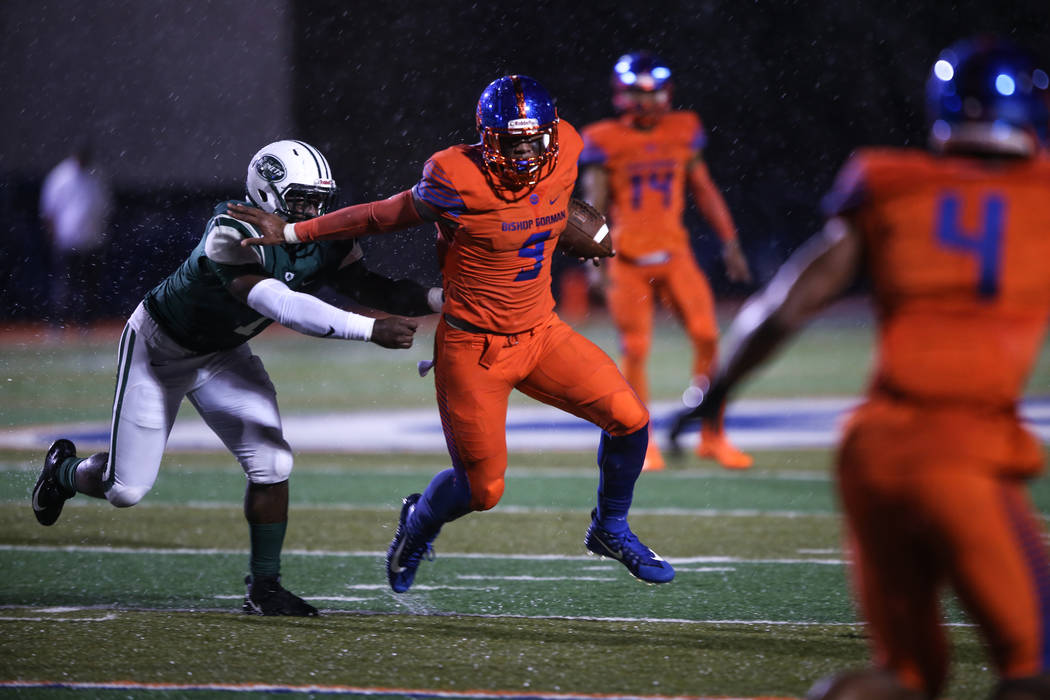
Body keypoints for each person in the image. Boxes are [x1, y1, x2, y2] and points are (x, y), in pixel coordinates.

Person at [672, 39, 1050, 700]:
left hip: (872, 452)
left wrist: (714, 392)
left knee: (902, 678)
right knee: (1035, 668)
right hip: (963, 450)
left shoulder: (890, 183)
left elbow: (790, 301)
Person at [229, 76, 676, 592]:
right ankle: (418, 522)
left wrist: (569, 225)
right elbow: (380, 216)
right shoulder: (454, 177)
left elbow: (552, 202)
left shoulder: (570, 146)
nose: (527, 153)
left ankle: (610, 527)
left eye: (535, 140)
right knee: (482, 491)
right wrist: (290, 231)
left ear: (552, 134)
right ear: (488, 139)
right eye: (512, 142)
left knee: (631, 419)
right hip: (473, 349)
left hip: (542, 333)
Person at [31, 140, 441, 616]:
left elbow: (370, 286)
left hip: (223, 354)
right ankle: (62, 472)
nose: (312, 211)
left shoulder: (318, 234)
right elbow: (280, 304)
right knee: (125, 490)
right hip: (161, 348)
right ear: (267, 194)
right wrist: (368, 329)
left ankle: (263, 588)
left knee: (273, 464)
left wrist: (441, 300)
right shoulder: (233, 230)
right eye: (301, 200)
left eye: (318, 200)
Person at [579, 51, 753, 472]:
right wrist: (591, 259)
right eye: (640, 93)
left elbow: (705, 189)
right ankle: (644, 441)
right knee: (635, 349)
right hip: (628, 258)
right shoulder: (605, 138)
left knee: (709, 336)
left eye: (654, 92)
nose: (649, 101)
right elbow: (594, 202)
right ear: (622, 96)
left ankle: (713, 435)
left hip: (674, 252)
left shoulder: (683, 129)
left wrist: (729, 240)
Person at [39, 142, 113, 328]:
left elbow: (106, 207)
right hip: (67, 239)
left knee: (90, 284)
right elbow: (49, 210)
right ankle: (58, 323)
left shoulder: (97, 175)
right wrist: (54, 237)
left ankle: (85, 323)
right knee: (65, 284)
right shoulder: (60, 177)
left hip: (93, 239)